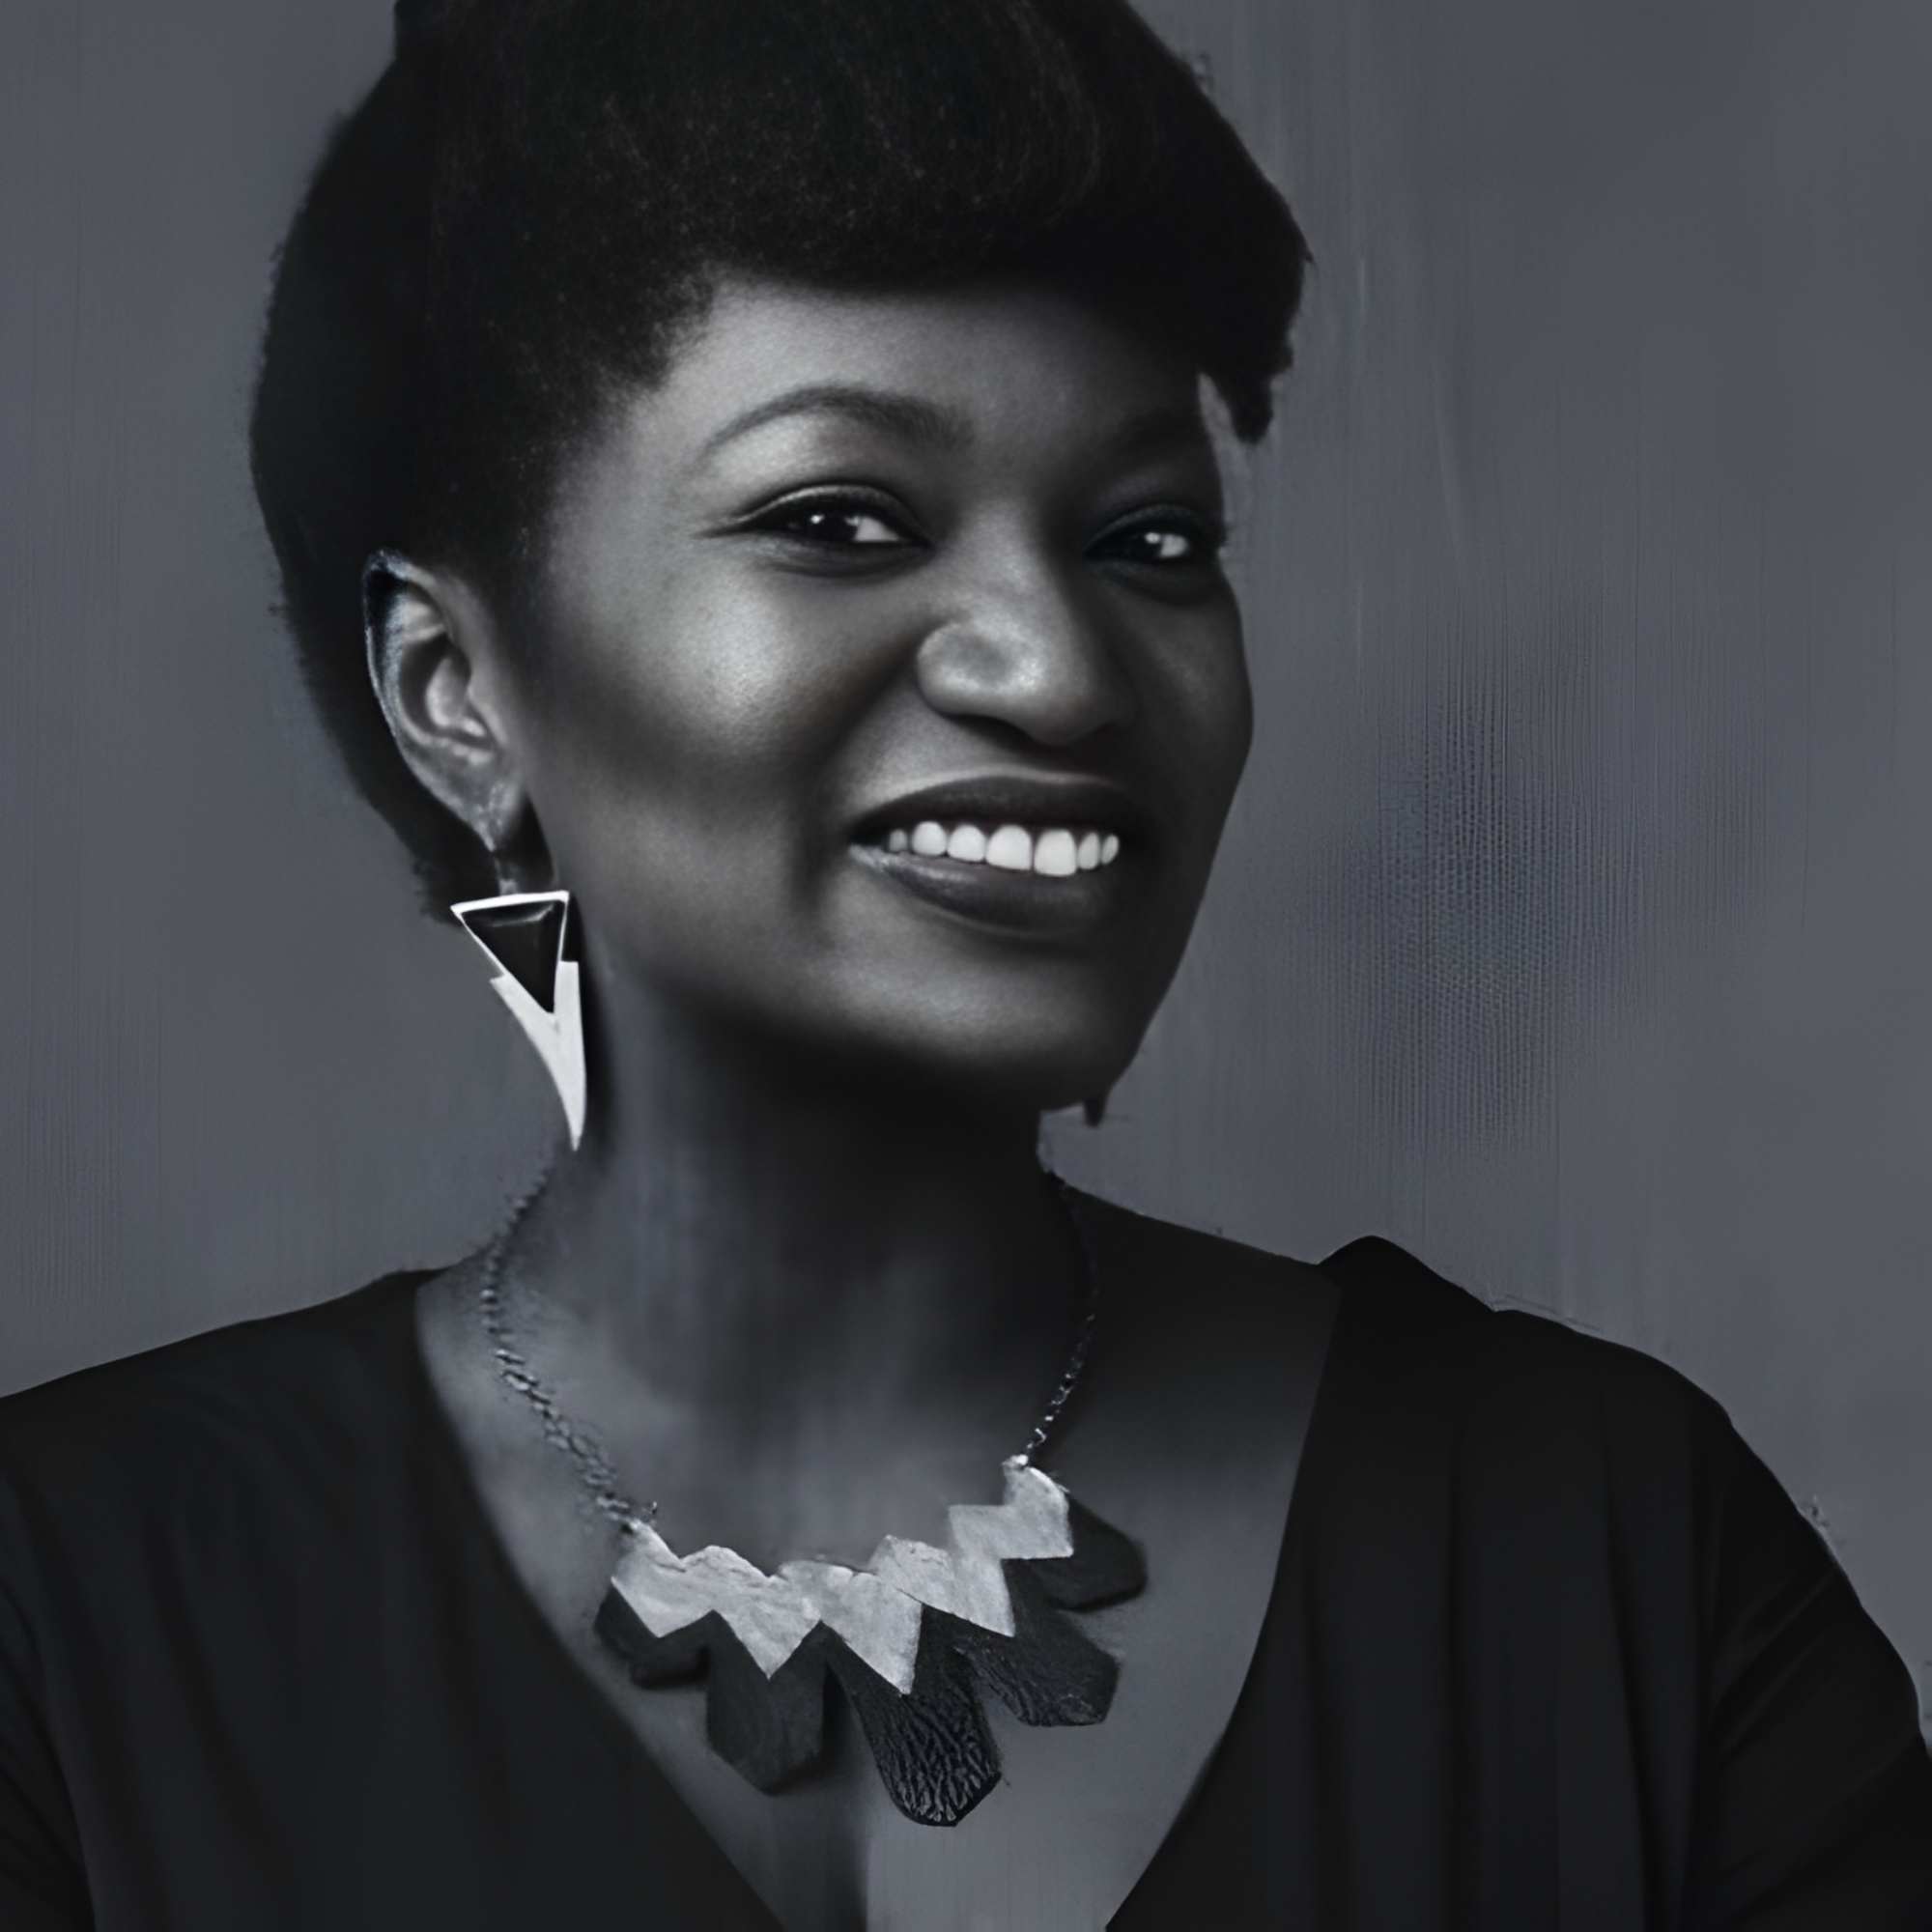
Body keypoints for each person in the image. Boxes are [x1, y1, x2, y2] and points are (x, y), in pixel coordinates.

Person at [2, 0, 1928, 1925]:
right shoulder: (67, 1612)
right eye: (840, 520)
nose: (1060, 669)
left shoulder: (1611, 1565)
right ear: (455, 690)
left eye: (1150, 541)